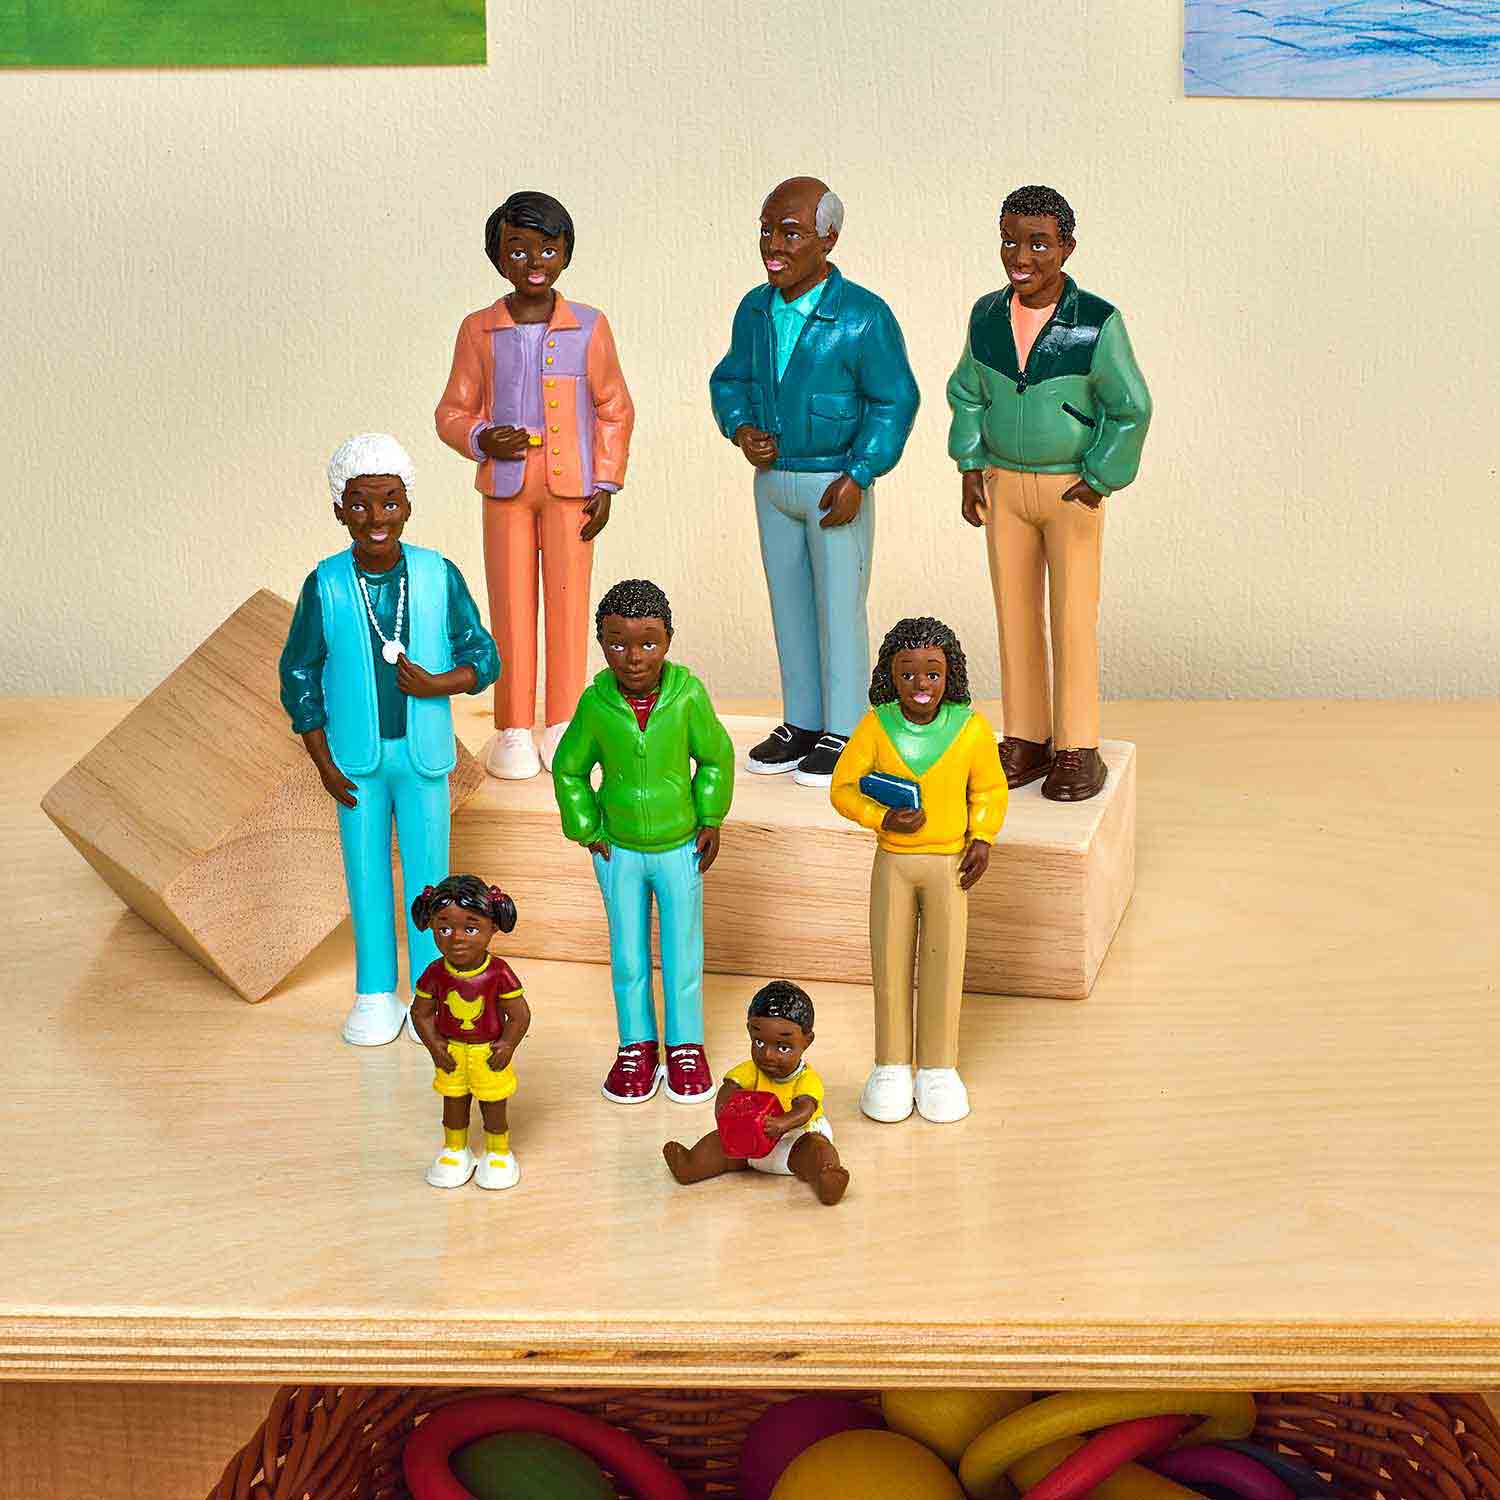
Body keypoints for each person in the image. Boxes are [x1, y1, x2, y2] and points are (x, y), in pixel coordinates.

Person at [279, 433, 499, 1047]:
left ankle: (435, 989)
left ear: (407, 505)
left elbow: (484, 656)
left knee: (432, 883)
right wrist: (322, 761)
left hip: (424, 758)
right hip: (355, 761)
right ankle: (375, 990)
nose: (376, 517)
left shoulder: (436, 574)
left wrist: (439, 683)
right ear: (339, 510)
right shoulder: (325, 584)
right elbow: (298, 674)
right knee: (366, 876)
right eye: (360, 504)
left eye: (390, 502)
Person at [709, 175, 919, 788]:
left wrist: (860, 472)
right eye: (766, 231)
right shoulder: (754, 309)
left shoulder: (863, 316)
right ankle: (801, 720)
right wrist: (741, 428)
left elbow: (894, 400)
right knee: (790, 606)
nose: (773, 246)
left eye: (791, 233)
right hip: (774, 483)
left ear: (828, 239)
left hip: (834, 485)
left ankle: (845, 726)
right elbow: (730, 380)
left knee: (839, 607)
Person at [947, 184, 1152, 802]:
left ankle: (1077, 745)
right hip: (1003, 484)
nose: (1021, 257)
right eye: (1010, 241)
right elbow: (967, 393)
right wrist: (970, 464)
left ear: (1066, 248)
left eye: (1038, 243)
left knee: (1072, 618)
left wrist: (1100, 476)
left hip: (1070, 490)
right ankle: (1027, 736)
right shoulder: (986, 315)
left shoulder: (1096, 322)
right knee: (1014, 614)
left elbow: (1131, 407)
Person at [436, 191, 634, 781]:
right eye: (518, 250)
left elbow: (614, 407)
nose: (534, 262)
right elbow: (450, 412)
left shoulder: (590, 326)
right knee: (511, 605)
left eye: (547, 248)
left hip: (572, 490)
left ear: (566, 251)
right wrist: (480, 436)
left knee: (569, 604)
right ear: (498, 257)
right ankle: (513, 726)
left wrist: (606, 482)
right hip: (506, 489)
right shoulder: (478, 330)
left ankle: (565, 722)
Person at [551, 579, 735, 1104]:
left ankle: (685, 1045)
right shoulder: (595, 704)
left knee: (683, 951)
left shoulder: (688, 696)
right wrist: (587, 828)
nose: (633, 658)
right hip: (620, 850)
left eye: (648, 642)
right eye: (618, 643)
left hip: (680, 848)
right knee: (628, 954)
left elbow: (716, 757)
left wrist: (710, 817)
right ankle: (636, 1045)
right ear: (601, 642)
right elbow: (569, 768)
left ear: (669, 639)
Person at [829, 617, 1007, 1124]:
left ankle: (938, 1066)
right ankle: (890, 1064)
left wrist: (983, 836)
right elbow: (843, 788)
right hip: (894, 862)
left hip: (950, 863)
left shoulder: (971, 729)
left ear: (951, 675)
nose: (921, 685)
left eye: (932, 672)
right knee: (889, 962)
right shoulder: (875, 726)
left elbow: (990, 790)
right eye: (907, 673)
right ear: (890, 675)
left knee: (944, 964)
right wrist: (882, 817)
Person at [663, 980, 849, 1207]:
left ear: (806, 1041)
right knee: (719, 1144)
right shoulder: (751, 1070)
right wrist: (724, 1112)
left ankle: (827, 1177)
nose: (768, 1055)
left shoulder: (806, 1078)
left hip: (793, 1140)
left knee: (817, 1149)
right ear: (750, 1031)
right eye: (759, 1042)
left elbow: (805, 1109)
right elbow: (730, 1087)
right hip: (749, 1139)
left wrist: (781, 1124)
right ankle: (691, 1165)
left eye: (783, 1047)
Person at [409, 875, 531, 1190]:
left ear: (493, 927)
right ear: (432, 927)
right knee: (453, 1101)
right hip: (450, 1050)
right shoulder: (435, 973)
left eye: (471, 928)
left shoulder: (498, 972)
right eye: (444, 929)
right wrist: (435, 1046)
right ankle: (454, 1148)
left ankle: (498, 1152)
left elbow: (519, 1015)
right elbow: (420, 1013)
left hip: (488, 1051)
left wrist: (507, 1045)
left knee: (493, 1103)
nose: (457, 938)